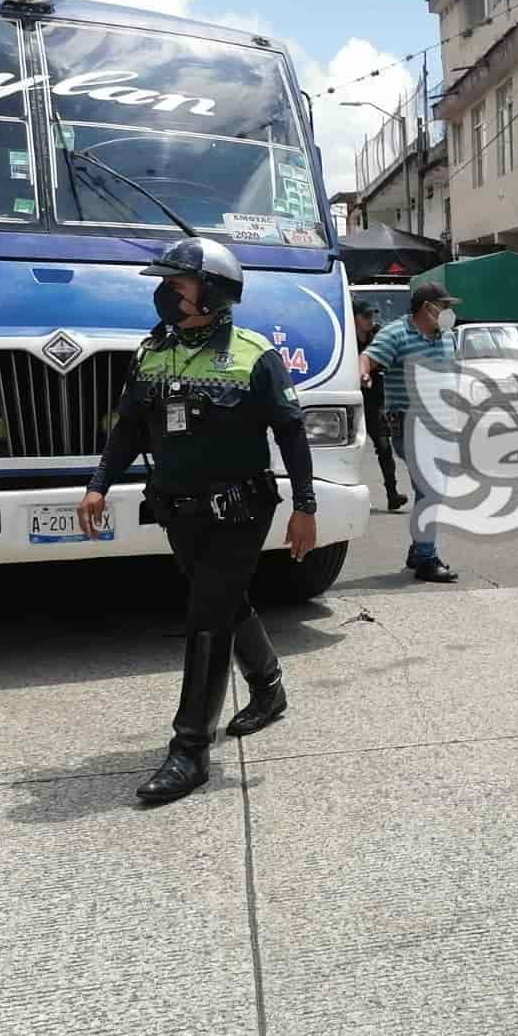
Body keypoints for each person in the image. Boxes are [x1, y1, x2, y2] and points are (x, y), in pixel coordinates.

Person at [79, 238, 318, 804]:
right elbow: (128, 428)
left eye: (177, 283)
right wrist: (98, 484)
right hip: (177, 508)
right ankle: (269, 686)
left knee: (206, 615)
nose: (165, 292)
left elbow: (290, 431)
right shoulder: (151, 353)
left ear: (211, 291)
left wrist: (305, 506)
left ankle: (189, 751)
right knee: (225, 601)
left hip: (240, 508)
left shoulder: (253, 354)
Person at [360, 281, 461, 583]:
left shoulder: (448, 337)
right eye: (443, 306)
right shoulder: (397, 333)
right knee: (431, 488)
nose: (448, 312)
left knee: (428, 489)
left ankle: (419, 551)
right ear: (425, 308)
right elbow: (369, 357)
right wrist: (363, 371)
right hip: (409, 424)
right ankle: (427, 559)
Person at [354, 299, 408, 512]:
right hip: (352, 399)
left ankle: (392, 494)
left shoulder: (377, 335)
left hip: (375, 400)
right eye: (365, 316)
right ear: (354, 317)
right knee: (351, 450)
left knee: (384, 447)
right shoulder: (346, 337)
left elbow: (388, 356)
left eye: (371, 316)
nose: (370, 320)